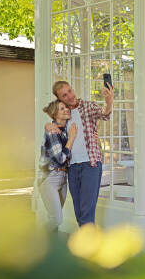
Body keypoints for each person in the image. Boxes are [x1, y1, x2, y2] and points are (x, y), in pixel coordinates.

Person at [45, 80, 113, 227]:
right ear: (60, 99)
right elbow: (54, 129)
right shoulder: (64, 115)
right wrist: (48, 125)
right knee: (80, 213)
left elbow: (105, 114)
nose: (69, 96)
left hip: (91, 164)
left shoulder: (89, 106)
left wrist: (109, 101)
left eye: (70, 91)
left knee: (86, 212)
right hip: (72, 168)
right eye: (64, 95)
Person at [38, 100, 77, 232]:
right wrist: (71, 140)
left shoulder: (65, 130)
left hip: (62, 177)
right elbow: (60, 158)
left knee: (54, 219)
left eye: (66, 107)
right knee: (56, 219)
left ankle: (49, 249)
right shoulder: (53, 132)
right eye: (62, 109)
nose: (66, 109)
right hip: (50, 177)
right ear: (55, 114)